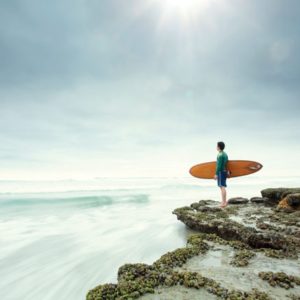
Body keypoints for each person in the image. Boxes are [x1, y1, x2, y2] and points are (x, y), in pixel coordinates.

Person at [214, 141, 229, 207]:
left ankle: (224, 203)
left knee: (222, 187)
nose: (216, 147)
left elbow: (219, 166)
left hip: (220, 172)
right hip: (224, 171)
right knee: (223, 186)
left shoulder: (220, 155)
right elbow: (227, 164)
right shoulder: (225, 154)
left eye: (216, 146)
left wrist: (216, 174)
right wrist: (227, 172)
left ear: (219, 147)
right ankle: (224, 201)